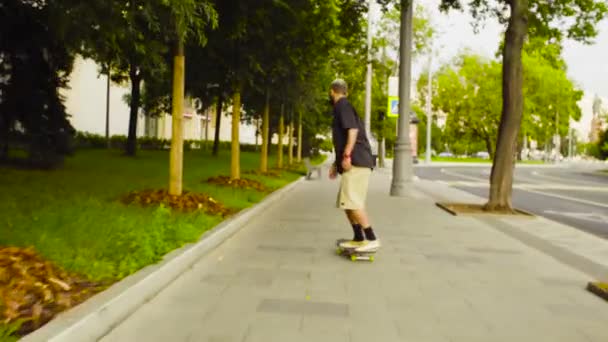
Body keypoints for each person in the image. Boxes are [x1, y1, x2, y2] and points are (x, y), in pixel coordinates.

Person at [328, 79, 380, 252]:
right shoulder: (343, 106)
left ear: (332, 91)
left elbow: (352, 130)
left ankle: (372, 239)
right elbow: (344, 137)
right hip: (355, 161)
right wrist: (337, 163)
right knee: (346, 203)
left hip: (357, 161)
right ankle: (359, 237)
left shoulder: (342, 105)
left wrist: (347, 155)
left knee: (354, 202)